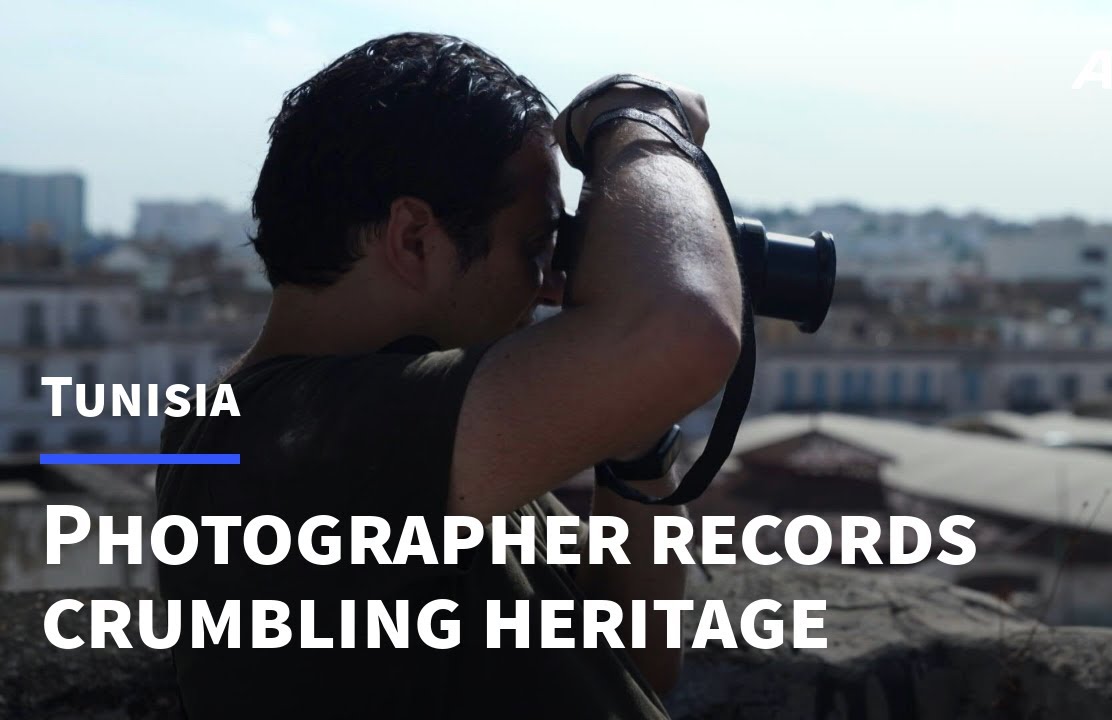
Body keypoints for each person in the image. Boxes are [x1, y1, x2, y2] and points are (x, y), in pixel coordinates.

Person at [154, 32, 743, 719]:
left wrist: (634, 441)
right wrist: (639, 118)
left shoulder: (406, 422)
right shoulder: (287, 443)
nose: (552, 286)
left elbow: (639, 655)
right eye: (533, 247)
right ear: (414, 240)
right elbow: (688, 331)